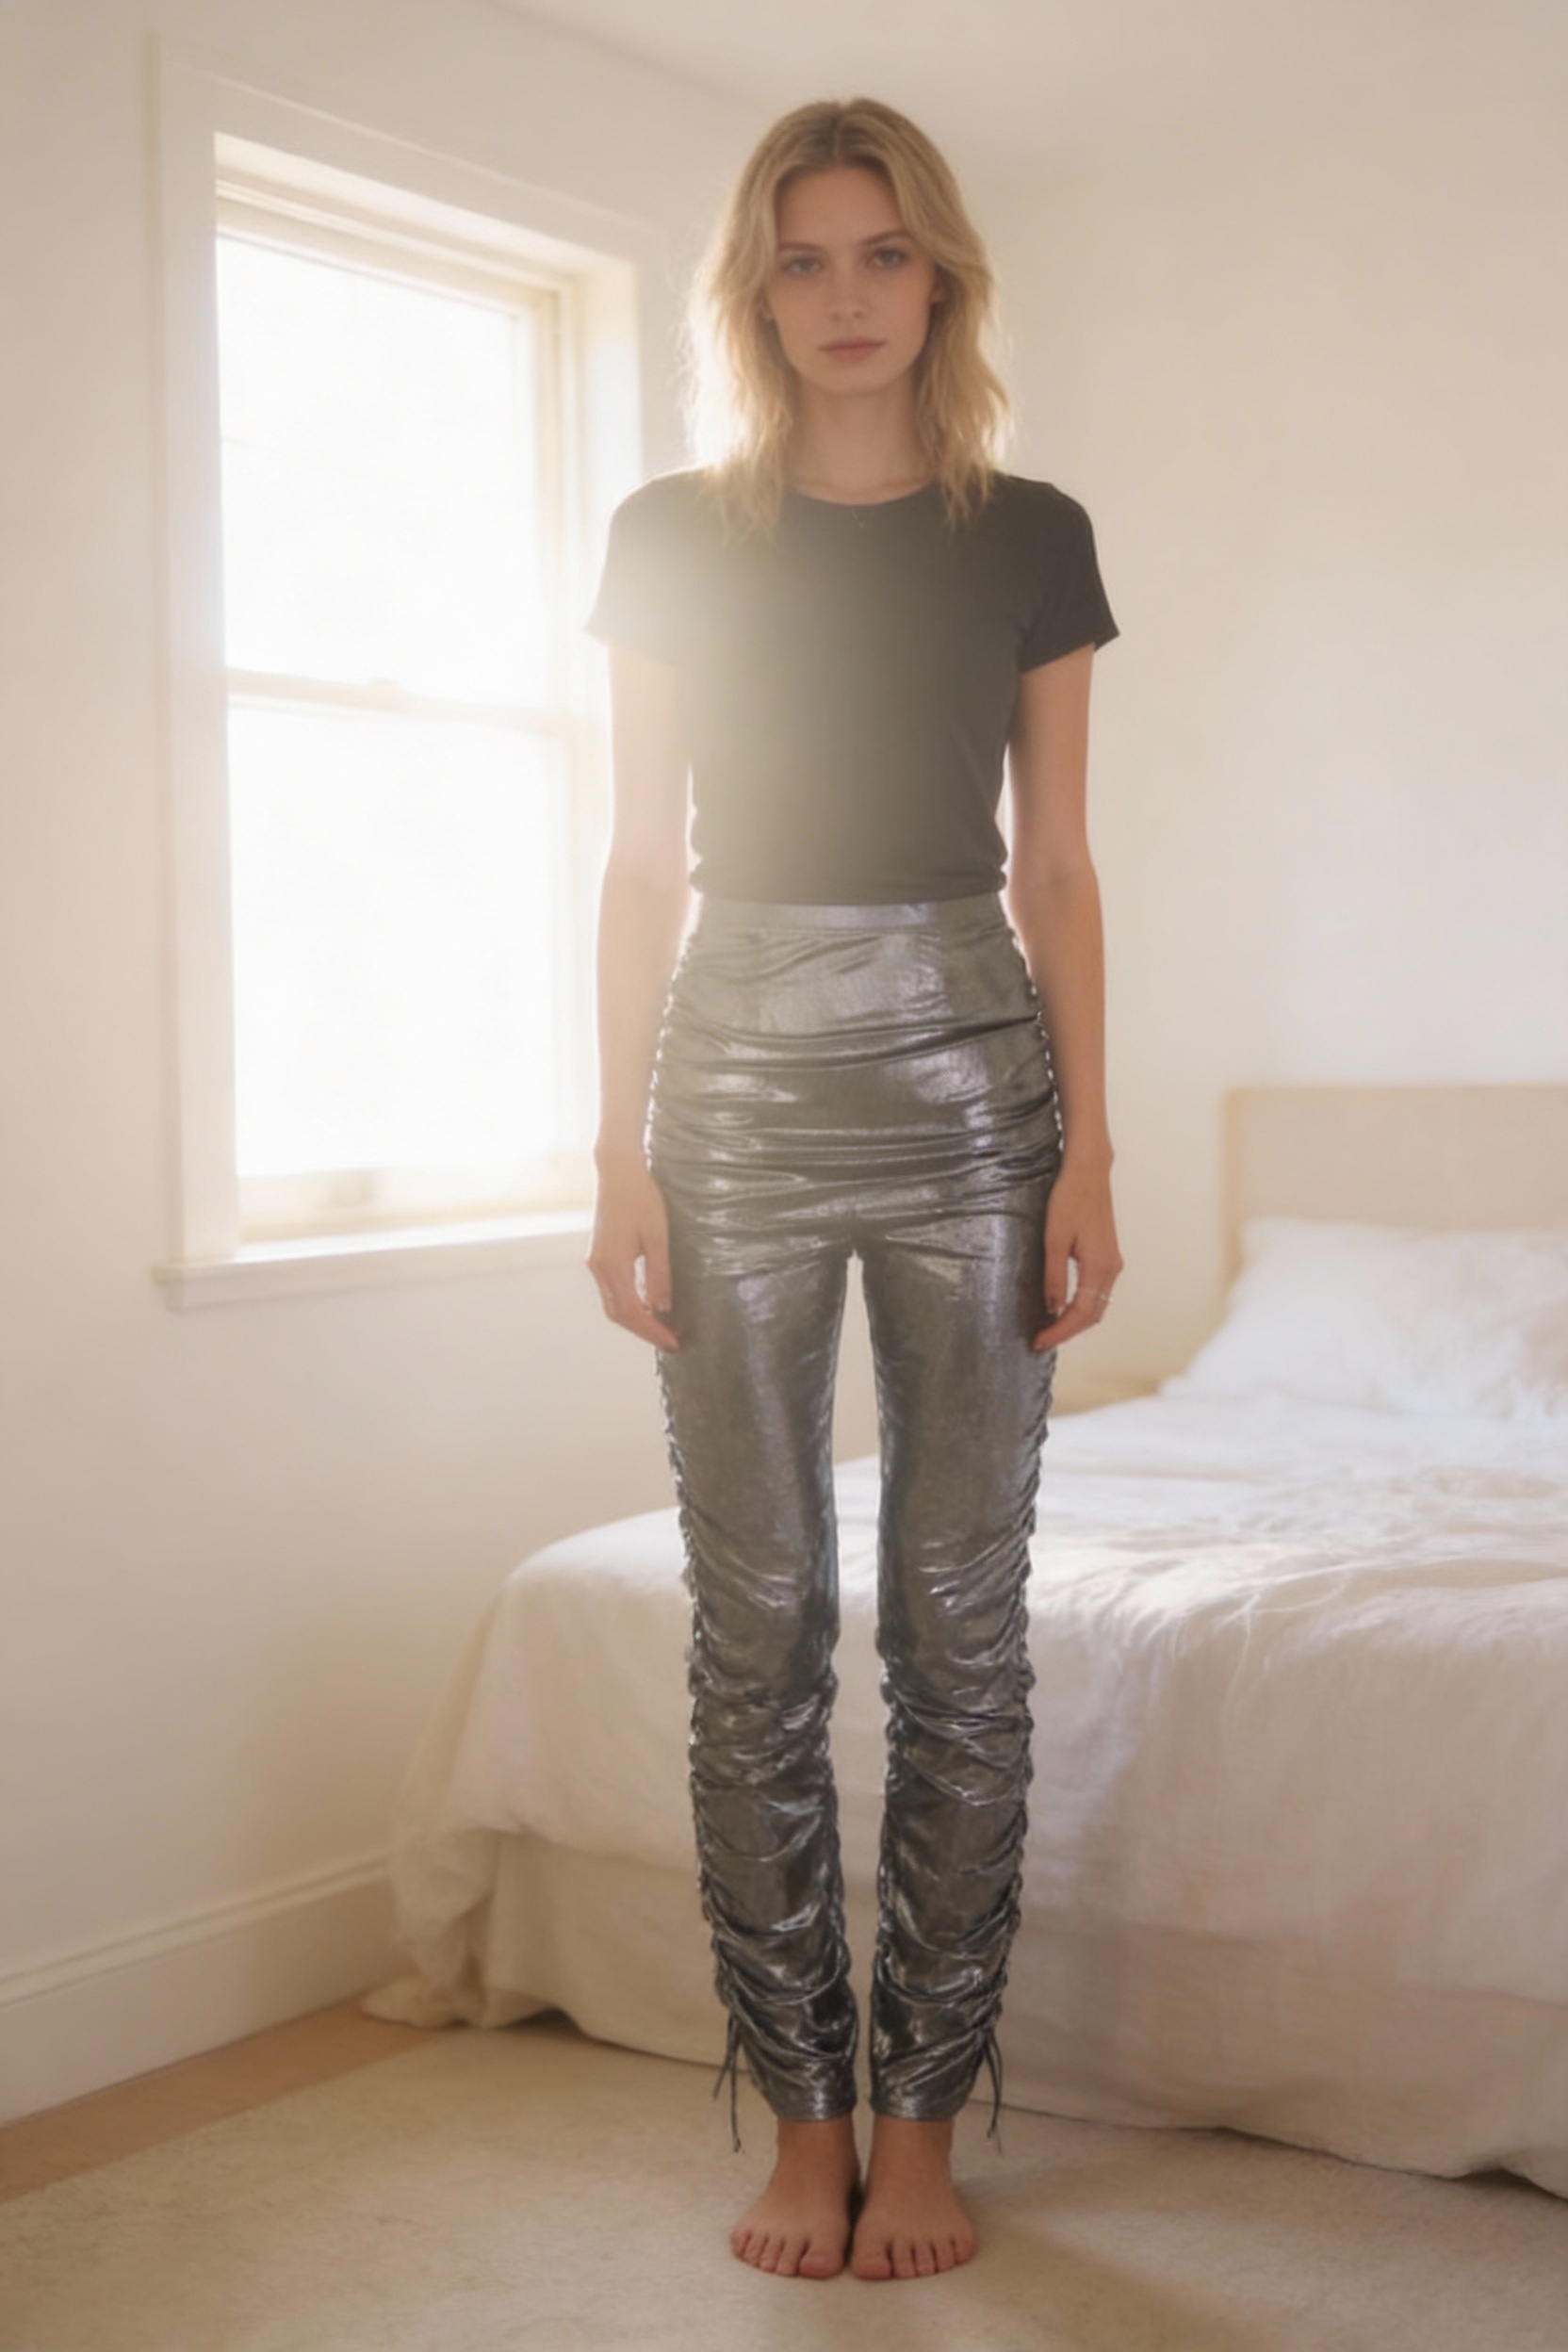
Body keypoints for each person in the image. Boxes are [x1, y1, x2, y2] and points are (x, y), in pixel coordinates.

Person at [586, 96, 1121, 2285]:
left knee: (962, 1626)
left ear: (940, 279)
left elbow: (1057, 864)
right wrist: (614, 1150)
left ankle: (923, 2131)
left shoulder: (1030, 534)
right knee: (755, 1633)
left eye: (880, 253)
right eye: (801, 259)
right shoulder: (669, 534)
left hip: (974, 1081)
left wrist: (1090, 1148)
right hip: (730, 1082)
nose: (843, 296)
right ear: (753, 293)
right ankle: (801, 2123)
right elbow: (639, 860)